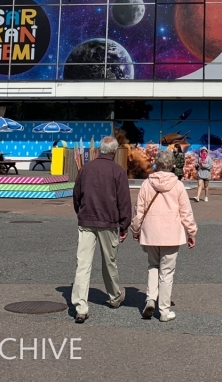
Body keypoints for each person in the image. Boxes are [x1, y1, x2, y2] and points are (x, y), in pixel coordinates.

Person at [70, 136, 131, 324]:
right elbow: (124, 201)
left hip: (87, 219)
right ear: (113, 152)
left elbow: (76, 195)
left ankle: (81, 307)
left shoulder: (86, 169)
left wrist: (81, 212)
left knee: (83, 263)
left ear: (98, 150)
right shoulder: (118, 171)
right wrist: (124, 225)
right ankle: (114, 296)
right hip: (109, 221)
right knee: (109, 261)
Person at [132, 149, 197, 322]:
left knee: (153, 266)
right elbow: (186, 212)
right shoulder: (177, 185)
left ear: (157, 164)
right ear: (172, 165)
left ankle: (150, 299)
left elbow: (139, 210)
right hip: (171, 233)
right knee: (167, 272)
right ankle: (164, 310)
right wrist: (191, 232)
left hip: (150, 232)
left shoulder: (147, 184)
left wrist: (135, 230)